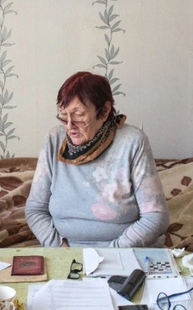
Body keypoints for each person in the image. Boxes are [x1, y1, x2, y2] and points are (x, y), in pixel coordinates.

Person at [25, 71, 170, 248]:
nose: (69, 126)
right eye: (64, 115)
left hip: (122, 250)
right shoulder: (54, 139)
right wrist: (60, 249)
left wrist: (113, 253)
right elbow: (35, 209)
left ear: (104, 110)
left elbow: (156, 216)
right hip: (65, 251)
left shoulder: (133, 141)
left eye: (79, 115)